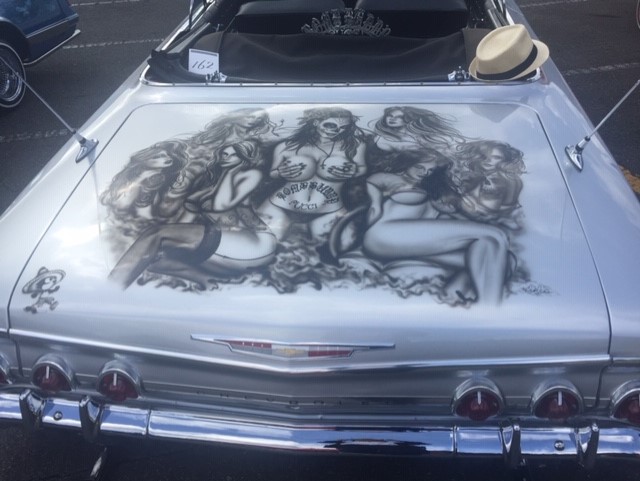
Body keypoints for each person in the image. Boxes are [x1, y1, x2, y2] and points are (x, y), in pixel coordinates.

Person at [109, 141, 277, 289]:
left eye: (234, 155)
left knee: (154, 234)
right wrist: (170, 241)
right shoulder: (213, 182)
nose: (226, 158)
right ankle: (208, 281)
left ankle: (109, 291)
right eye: (224, 154)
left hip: (256, 242)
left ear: (244, 157)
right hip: (228, 245)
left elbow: (221, 205)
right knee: (151, 257)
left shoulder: (250, 174)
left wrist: (230, 171)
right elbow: (186, 219)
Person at [362, 149, 511, 304]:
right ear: (408, 164)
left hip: (408, 244)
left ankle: (452, 297)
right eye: (420, 167)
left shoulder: (436, 192)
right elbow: (374, 202)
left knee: (502, 260)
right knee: (494, 235)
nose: (424, 173)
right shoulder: (392, 179)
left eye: (430, 170)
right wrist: (373, 208)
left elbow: (457, 216)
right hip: (385, 234)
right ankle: (490, 309)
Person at [257, 107, 367, 242]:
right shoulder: (287, 146)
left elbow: (362, 168)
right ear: (316, 122)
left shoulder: (354, 146)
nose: (337, 131)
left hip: (330, 211)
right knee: (263, 245)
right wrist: (280, 172)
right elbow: (273, 173)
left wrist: (354, 171)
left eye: (343, 127)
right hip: (280, 206)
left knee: (342, 247)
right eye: (331, 125)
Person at [100, 140, 188, 223]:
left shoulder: (168, 177)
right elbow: (122, 205)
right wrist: (140, 179)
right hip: (130, 223)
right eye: (157, 157)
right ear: (144, 161)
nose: (167, 158)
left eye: (166, 155)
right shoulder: (135, 180)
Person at [448, 140, 525, 227]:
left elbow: (506, 208)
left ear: (505, 161)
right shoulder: (472, 175)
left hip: (485, 221)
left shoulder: (510, 181)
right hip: (463, 215)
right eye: (484, 156)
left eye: (496, 157)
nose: (488, 160)